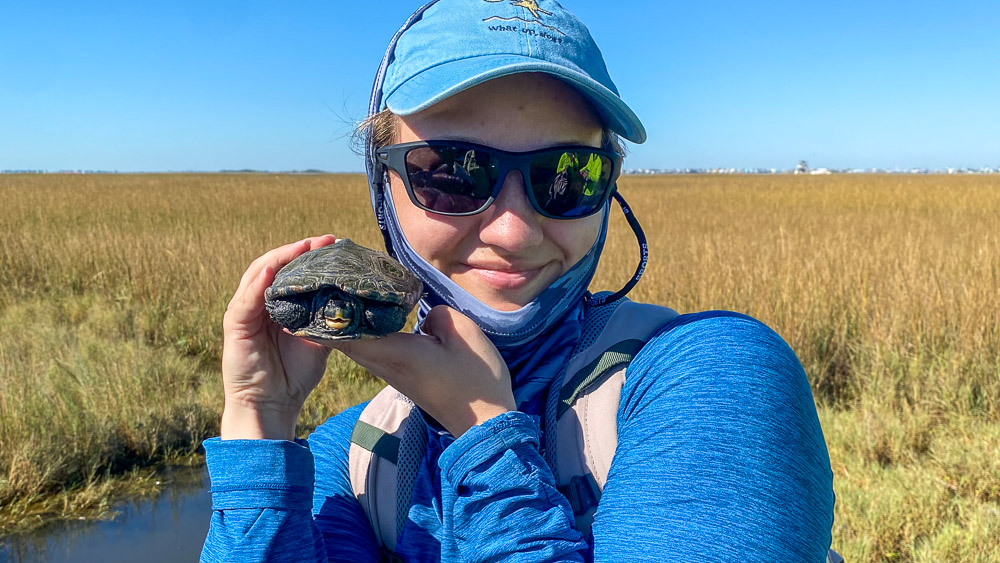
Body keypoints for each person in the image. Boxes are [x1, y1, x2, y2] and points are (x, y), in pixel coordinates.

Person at [201, 1, 837, 561]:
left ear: (610, 184)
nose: (512, 231)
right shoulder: (364, 455)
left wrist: (483, 430)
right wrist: (259, 422)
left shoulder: (708, 377)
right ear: (384, 189)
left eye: (567, 176)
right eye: (450, 172)